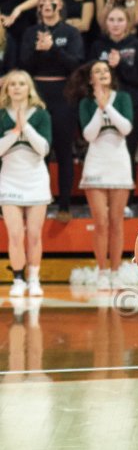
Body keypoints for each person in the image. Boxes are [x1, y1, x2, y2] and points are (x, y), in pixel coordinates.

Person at [19, 0, 85, 222]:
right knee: (39, 151)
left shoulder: (70, 32)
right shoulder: (31, 33)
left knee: (64, 151)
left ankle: (64, 205)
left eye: (51, 0)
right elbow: (24, 65)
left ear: (60, 4)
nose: (46, 4)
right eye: (43, 0)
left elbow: (76, 65)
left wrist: (54, 49)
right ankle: (41, 202)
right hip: (38, 96)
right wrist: (38, 51)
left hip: (64, 95)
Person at [67, 59, 133, 289]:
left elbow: (126, 128)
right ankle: (102, 271)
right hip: (96, 163)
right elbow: (89, 135)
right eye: (97, 71)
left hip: (119, 162)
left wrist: (108, 106)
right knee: (101, 222)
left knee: (116, 221)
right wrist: (99, 106)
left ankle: (115, 272)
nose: (103, 73)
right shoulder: (86, 103)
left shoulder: (123, 98)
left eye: (106, 70)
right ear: (90, 79)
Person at [0, 68, 51, 297]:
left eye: (21, 83)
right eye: (12, 84)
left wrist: (26, 127)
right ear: (7, 89)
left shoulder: (41, 115)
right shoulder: (1, 115)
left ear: (29, 88)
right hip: (10, 180)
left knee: (34, 234)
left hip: (35, 179)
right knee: (14, 234)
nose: (17, 87)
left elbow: (43, 149)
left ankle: (34, 279)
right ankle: (18, 279)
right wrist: (15, 132)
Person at [90, 4, 138, 170]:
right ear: (105, 22)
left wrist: (120, 64)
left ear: (128, 22)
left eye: (120, 20)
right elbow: (89, 75)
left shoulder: (137, 45)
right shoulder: (98, 46)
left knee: (128, 154)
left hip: (130, 105)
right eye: (112, 20)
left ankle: (129, 187)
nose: (115, 24)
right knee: (103, 153)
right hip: (102, 106)